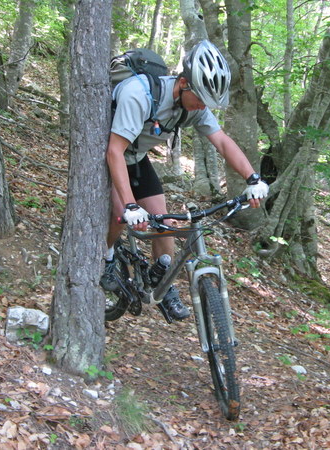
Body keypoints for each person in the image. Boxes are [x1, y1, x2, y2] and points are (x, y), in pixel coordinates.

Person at [101, 40, 269, 321]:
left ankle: (162, 282)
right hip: (110, 154)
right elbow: (114, 151)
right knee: (120, 215)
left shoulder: (194, 105)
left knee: (164, 224)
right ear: (182, 83)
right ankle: (105, 258)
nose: (203, 106)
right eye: (201, 98)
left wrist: (253, 178)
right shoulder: (138, 94)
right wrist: (131, 206)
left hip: (137, 157)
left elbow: (223, 142)